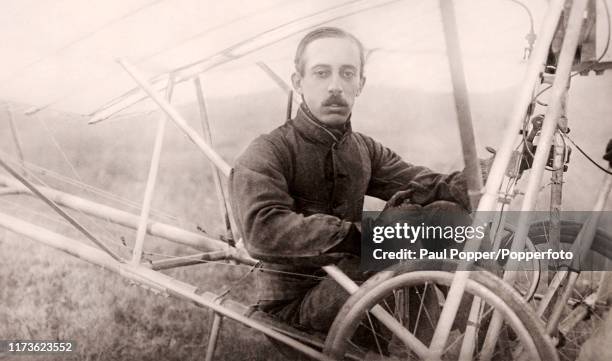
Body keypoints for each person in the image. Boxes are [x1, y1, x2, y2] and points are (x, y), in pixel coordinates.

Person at [228, 27, 472, 335]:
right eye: (321, 73)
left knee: (444, 214)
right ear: (298, 82)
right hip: (296, 310)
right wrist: (360, 237)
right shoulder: (268, 151)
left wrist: (489, 173)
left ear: (361, 84)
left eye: (347, 74)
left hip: (351, 283)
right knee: (406, 228)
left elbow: (425, 183)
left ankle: (488, 333)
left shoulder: (362, 149)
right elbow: (263, 231)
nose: (335, 86)